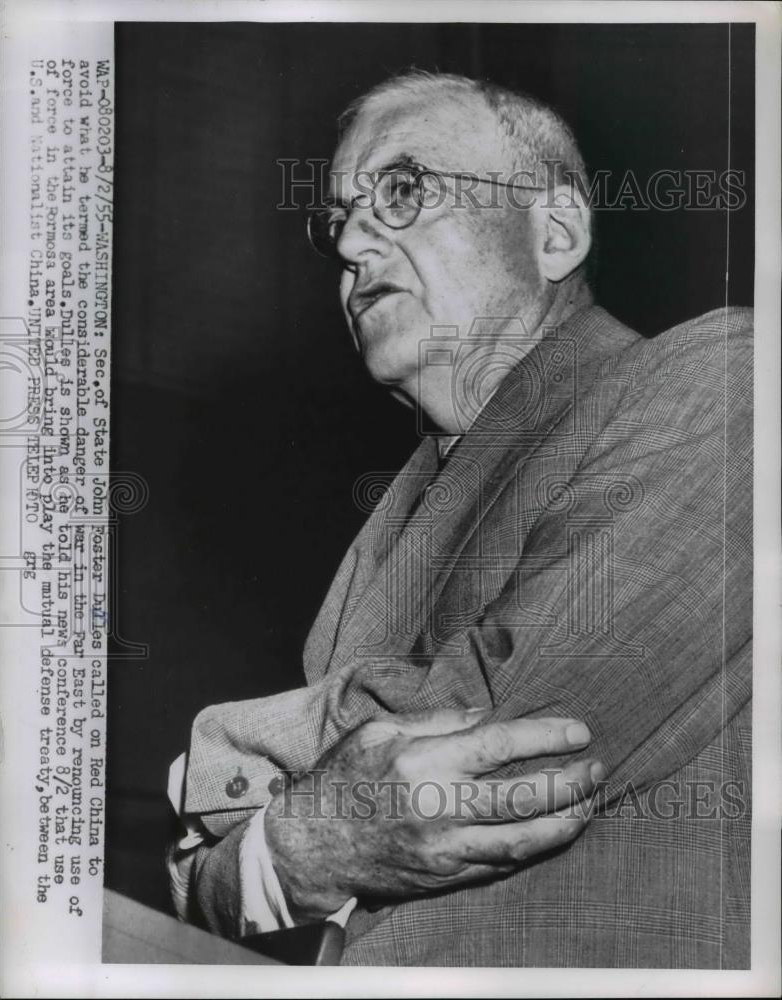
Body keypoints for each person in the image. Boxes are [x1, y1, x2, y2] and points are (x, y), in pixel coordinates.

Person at [168, 71, 752, 967]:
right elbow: (258, 867)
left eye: (401, 192)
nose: (353, 242)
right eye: (338, 219)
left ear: (554, 232)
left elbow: (508, 737)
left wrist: (213, 757)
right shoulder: (385, 539)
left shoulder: (721, 378)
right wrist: (292, 843)